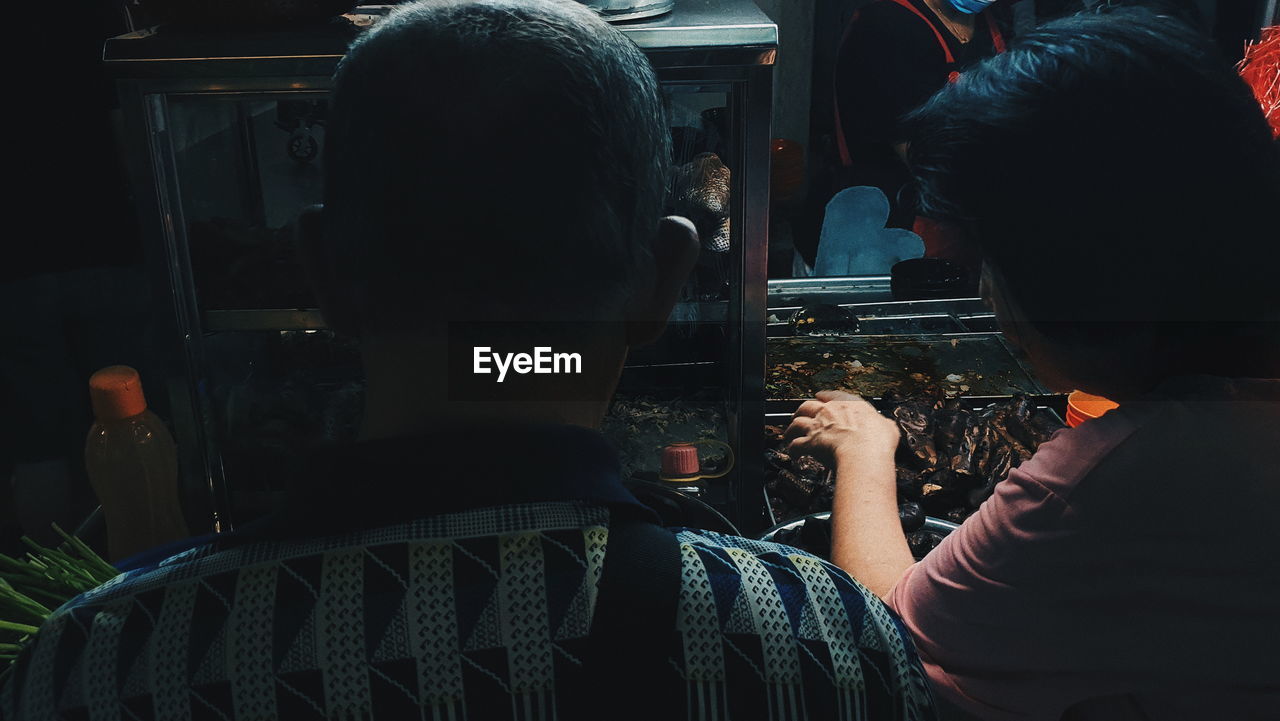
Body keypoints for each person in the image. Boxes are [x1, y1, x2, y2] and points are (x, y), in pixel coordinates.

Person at [1, 2, 938, 719]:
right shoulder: (819, 643)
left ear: (322, 276)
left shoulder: (94, 666)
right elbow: (513, 367)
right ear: (662, 279)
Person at [785, 7, 1280, 720]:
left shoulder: (1102, 488)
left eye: (989, 260)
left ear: (1073, 279)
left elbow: (889, 635)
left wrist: (866, 448)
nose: (987, 293)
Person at [831, 0, 1005, 236]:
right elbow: (920, 154)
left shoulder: (994, 22)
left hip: (960, 224)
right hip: (878, 231)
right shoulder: (887, 24)